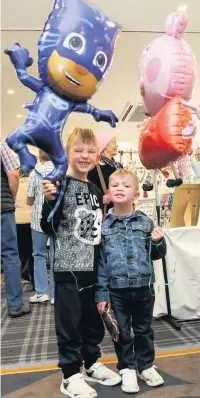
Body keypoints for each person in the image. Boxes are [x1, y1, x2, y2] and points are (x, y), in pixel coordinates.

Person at [41, 128, 121, 398]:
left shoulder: (94, 189)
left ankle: (91, 362)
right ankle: (70, 373)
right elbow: (47, 225)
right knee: (69, 322)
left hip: (93, 266)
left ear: (97, 155)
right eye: (79, 150)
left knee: (92, 320)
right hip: (68, 268)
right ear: (67, 153)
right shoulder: (59, 184)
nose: (85, 156)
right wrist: (50, 200)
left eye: (90, 151)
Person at [96, 168, 167, 393]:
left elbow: (156, 254)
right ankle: (127, 366)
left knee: (144, 329)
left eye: (126, 186)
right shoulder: (104, 226)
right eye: (115, 185)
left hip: (144, 287)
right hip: (116, 289)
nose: (120, 189)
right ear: (108, 191)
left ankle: (145, 364)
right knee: (122, 331)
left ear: (136, 194)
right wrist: (102, 293)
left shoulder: (146, 223)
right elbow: (101, 264)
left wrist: (157, 241)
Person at [0, 139, 31, 317]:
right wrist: (10, 198)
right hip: (2, 210)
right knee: (10, 255)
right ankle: (15, 305)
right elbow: (13, 173)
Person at [27, 150, 55, 304]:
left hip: (38, 221)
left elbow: (29, 200)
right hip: (55, 220)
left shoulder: (33, 174)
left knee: (39, 256)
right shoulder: (60, 171)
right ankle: (55, 294)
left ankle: (41, 292)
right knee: (56, 256)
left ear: (39, 156)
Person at [88, 133, 122, 214]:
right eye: (114, 142)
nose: (117, 145)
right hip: (104, 212)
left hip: (120, 210)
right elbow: (87, 190)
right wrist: (99, 199)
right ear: (105, 145)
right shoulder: (93, 167)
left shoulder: (118, 165)